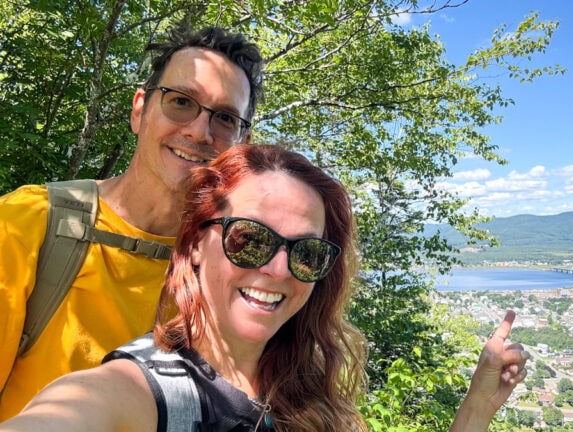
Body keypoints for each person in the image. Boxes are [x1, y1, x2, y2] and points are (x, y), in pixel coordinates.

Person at [0, 144, 529, 431]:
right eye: (250, 240)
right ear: (193, 246)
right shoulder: (130, 394)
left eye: (307, 252)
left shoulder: (312, 395)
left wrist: (477, 407)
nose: (278, 269)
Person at [0, 25, 264, 419]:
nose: (199, 130)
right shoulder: (30, 223)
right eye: (180, 101)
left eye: (225, 118)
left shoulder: (231, 269)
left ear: (241, 144)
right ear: (139, 108)